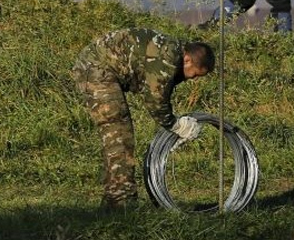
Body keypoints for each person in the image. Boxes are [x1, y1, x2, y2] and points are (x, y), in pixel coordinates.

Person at [71, 28, 215, 209]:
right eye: (194, 73)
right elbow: (155, 100)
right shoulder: (168, 58)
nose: (193, 79)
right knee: (119, 136)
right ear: (187, 60)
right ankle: (122, 203)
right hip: (96, 70)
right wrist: (175, 125)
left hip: (99, 68)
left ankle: (112, 200)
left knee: (118, 136)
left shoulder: (174, 51)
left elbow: (159, 92)